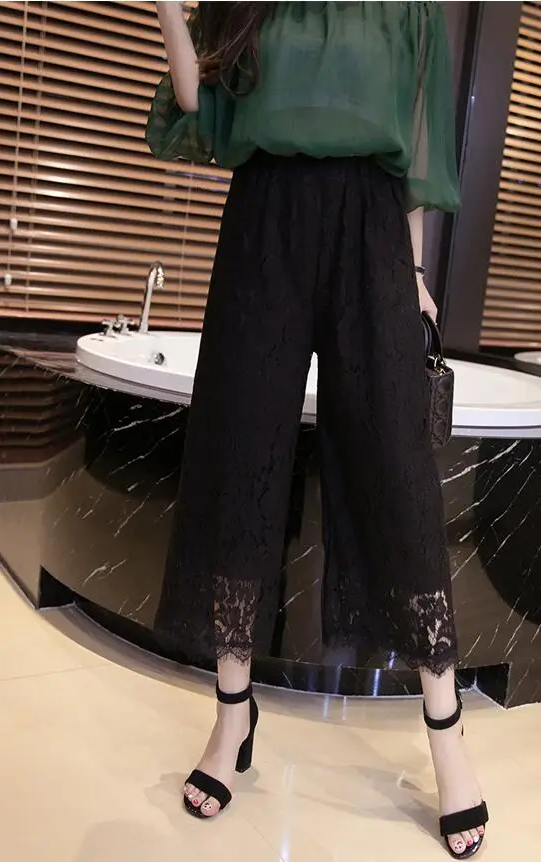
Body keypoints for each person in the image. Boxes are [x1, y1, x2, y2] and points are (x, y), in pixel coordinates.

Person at [146, 2, 488, 856]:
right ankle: (233, 718)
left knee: (397, 469)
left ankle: (446, 733)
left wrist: (414, 268)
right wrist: (166, 8)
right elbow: (196, 104)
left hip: (371, 230)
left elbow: (411, 148)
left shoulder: (406, 9)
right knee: (238, 457)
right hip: (263, 220)